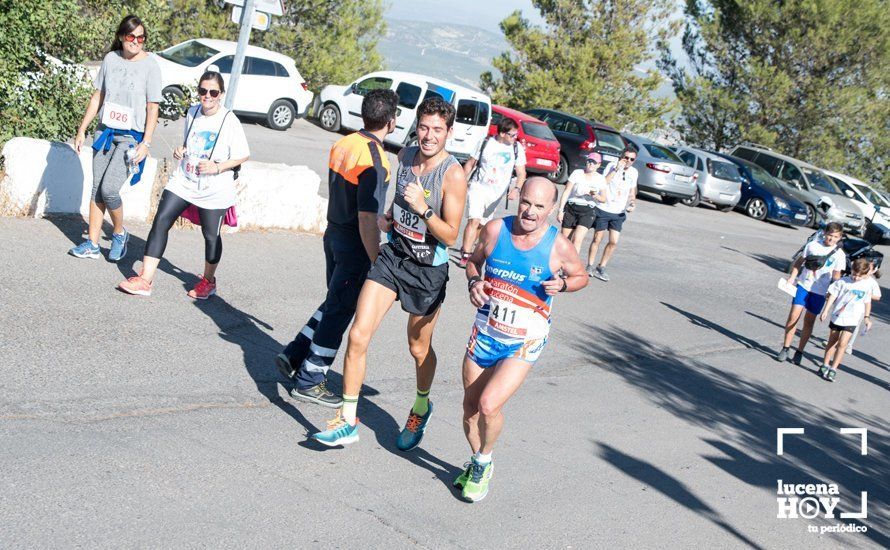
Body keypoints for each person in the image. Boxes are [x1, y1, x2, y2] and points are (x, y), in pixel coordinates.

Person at [310, 97, 468, 448]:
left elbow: (451, 234)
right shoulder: (406, 156)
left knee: (418, 347)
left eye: (437, 130)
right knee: (358, 335)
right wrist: (391, 219)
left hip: (427, 269)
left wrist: (424, 210)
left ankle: (422, 405)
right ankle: (348, 421)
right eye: (424, 127)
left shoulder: (453, 175)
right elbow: (399, 202)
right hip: (394, 256)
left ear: (449, 133)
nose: (429, 136)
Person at [454, 176, 588, 502]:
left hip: (524, 340)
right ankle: (478, 461)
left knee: (488, 405)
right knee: (469, 409)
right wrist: (474, 282)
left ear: (552, 209)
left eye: (539, 206)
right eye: (526, 202)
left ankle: (484, 461)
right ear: (517, 197)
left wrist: (565, 286)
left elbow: (581, 276)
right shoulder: (496, 230)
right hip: (486, 332)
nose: (529, 212)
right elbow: (473, 263)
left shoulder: (558, 246)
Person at [275, 89, 398, 407]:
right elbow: (367, 216)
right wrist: (377, 258)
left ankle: (295, 354)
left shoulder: (345, 142)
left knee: (334, 301)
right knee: (340, 310)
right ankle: (311, 380)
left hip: (334, 234)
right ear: (392, 121)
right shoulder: (375, 159)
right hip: (355, 243)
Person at [117, 71, 249, 297]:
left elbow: (243, 155)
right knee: (161, 220)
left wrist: (216, 167)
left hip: (214, 188)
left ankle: (208, 280)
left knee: (211, 236)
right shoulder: (192, 112)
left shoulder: (230, 121)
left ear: (221, 95)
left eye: (213, 92)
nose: (207, 96)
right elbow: (191, 143)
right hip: (184, 180)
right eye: (203, 91)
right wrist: (181, 150)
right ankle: (145, 279)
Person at [70, 15, 161, 262]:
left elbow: (153, 107)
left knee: (110, 190)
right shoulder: (110, 59)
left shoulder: (150, 65)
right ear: (121, 36)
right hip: (105, 133)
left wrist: (146, 142)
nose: (135, 41)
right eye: (131, 36)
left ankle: (119, 233)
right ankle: (92, 243)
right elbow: (97, 96)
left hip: (131, 138)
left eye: (140, 37)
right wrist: (82, 129)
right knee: (96, 189)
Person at [458, 118, 527, 268]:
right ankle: (466, 254)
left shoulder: (517, 148)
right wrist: (460, 183)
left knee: (482, 224)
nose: (515, 138)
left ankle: (467, 248)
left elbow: (521, 173)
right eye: (512, 134)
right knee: (474, 220)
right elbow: (470, 164)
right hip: (478, 187)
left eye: (516, 135)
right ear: (502, 133)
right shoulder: (485, 143)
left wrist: (517, 189)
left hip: (496, 194)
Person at [777, 223, 846, 364]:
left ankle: (800, 351)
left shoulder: (839, 255)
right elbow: (798, 263)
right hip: (804, 285)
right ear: (824, 233)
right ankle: (785, 347)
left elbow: (836, 277)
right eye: (829, 235)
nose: (831, 239)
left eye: (835, 237)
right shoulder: (813, 245)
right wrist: (792, 278)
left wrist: (833, 293)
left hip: (819, 292)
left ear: (839, 238)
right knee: (793, 317)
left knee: (809, 322)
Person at [818, 258, 874, 381]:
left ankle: (833, 369)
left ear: (865, 274)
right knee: (832, 341)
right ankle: (825, 364)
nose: (856, 278)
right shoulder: (842, 282)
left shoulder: (866, 286)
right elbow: (832, 296)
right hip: (838, 316)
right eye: (854, 274)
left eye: (859, 276)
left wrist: (866, 318)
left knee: (843, 343)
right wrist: (826, 310)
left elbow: (867, 302)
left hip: (853, 319)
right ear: (851, 270)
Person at [587, 148, 638, 281]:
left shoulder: (634, 173)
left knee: (613, 242)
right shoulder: (612, 166)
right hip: (604, 208)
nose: (628, 161)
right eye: (626, 157)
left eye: (631, 159)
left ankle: (601, 267)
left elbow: (633, 191)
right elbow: (604, 182)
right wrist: (616, 169)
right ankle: (590, 265)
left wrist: (632, 202)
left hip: (618, 212)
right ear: (621, 157)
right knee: (597, 238)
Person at [556, 152, 606, 251]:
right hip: (571, 207)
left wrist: (594, 194)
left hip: (588, 210)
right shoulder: (577, 173)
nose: (591, 164)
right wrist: (560, 210)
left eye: (594, 162)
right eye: (589, 161)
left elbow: (603, 199)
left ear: (598, 165)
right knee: (564, 240)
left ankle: (572, 265)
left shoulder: (600, 179)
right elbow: (566, 191)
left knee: (577, 240)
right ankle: (561, 263)